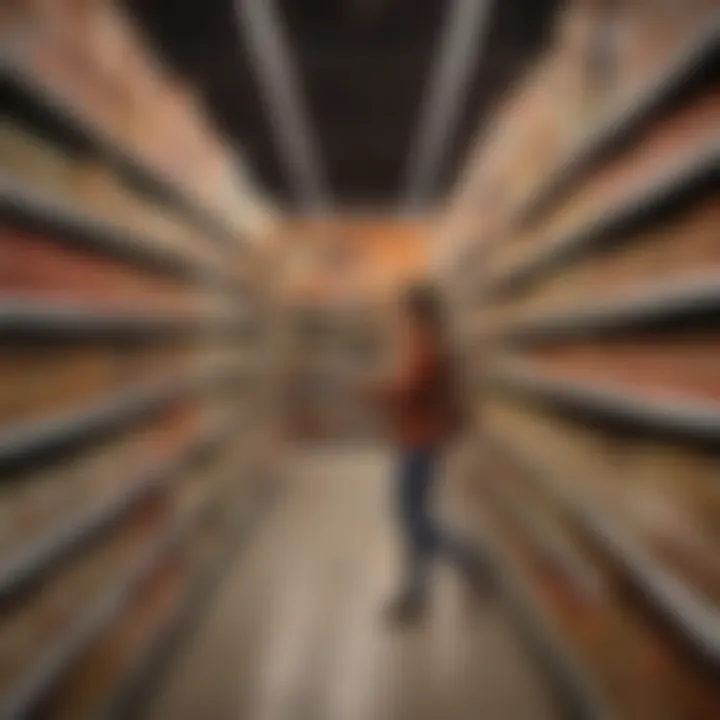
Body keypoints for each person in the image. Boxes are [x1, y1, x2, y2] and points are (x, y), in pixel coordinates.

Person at [366, 282, 491, 623]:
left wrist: (376, 389)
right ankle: (414, 595)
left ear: (415, 312)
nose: (399, 317)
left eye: (403, 311)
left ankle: (468, 560)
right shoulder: (428, 343)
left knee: (414, 521)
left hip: (418, 443)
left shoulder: (426, 346)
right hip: (420, 440)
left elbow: (408, 388)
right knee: (412, 518)